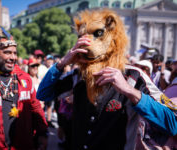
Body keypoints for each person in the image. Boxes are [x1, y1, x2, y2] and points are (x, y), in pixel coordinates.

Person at [36, 9, 177, 150]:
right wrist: (62, 64)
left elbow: (172, 122)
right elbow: (43, 94)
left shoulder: (134, 76)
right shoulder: (78, 75)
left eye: (97, 34)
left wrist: (130, 91)